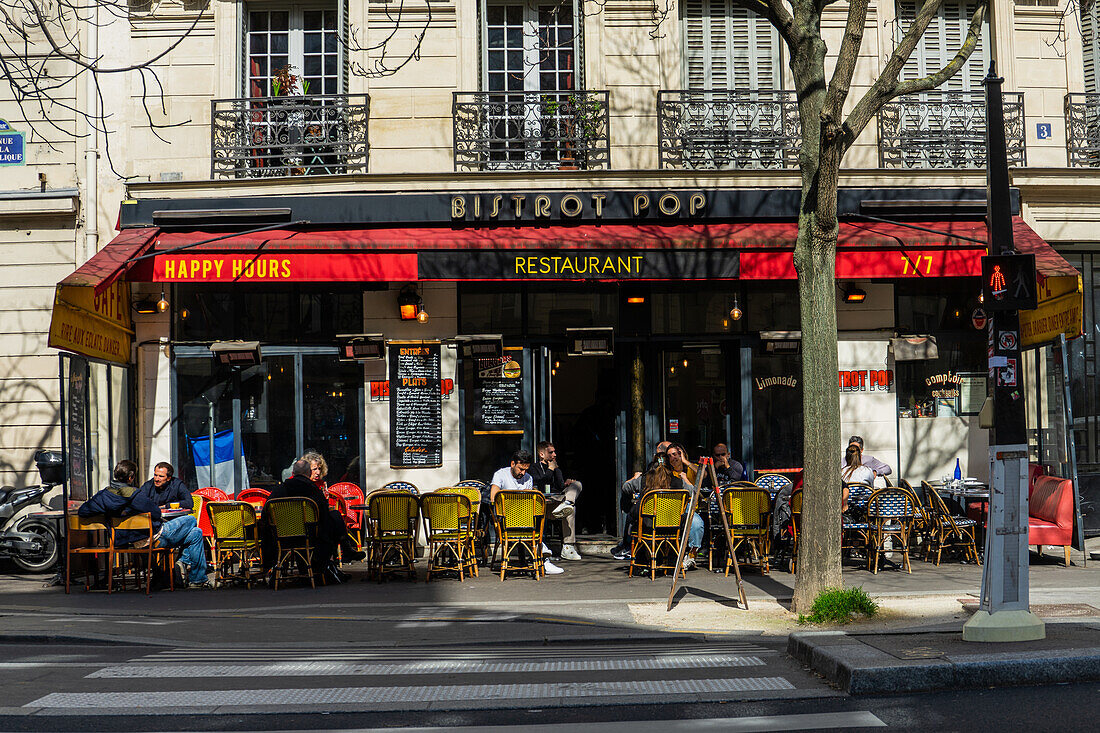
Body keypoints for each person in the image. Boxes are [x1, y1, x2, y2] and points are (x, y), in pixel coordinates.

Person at [80, 460, 210, 589]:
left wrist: (111, 513)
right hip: (151, 538)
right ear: (131, 477)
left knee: (196, 533)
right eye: (156, 475)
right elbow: (156, 513)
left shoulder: (103, 494)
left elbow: (83, 511)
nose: (157, 478)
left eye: (160, 476)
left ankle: (192, 575)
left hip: (123, 539)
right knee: (191, 520)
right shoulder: (135, 495)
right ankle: (188, 571)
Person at [264, 456, 365, 584]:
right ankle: (338, 557)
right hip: (310, 537)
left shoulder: (279, 490)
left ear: (293, 473)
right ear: (308, 473)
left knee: (333, 517)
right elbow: (323, 515)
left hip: (281, 538)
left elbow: (266, 514)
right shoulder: (312, 490)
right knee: (334, 517)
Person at [611, 454, 704, 569]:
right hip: (672, 527)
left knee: (633, 514)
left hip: (648, 526)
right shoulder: (678, 482)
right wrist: (685, 479)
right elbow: (694, 493)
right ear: (670, 466)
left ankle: (639, 554)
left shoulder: (643, 480)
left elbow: (625, 487)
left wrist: (634, 477)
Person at [490, 449, 563, 575]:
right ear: (512, 464)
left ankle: (542, 557)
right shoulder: (501, 475)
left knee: (539, 514)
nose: (523, 473)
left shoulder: (528, 478)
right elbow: (493, 497)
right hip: (506, 520)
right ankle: (543, 556)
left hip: (525, 519)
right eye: (520, 469)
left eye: (526, 469)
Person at [528, 441, 583, 561]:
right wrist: (551, 469)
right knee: (570, 510)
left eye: (554, 452)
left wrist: (566, 483)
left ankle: (568, 547)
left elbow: (559, 487)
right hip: (541, 504)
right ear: (542, 454)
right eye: (551, 452)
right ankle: (540, 547)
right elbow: (539, 483)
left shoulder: (556, 467)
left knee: (576, 487)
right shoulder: (533, 468)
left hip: (556, 503)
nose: (554, 454)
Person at [841, 444, 875, 513]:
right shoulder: (868, 471)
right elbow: (871, 488)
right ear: (860, 457)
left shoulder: (841, 472)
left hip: (846, 508)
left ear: (847, 457)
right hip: (866, 509)